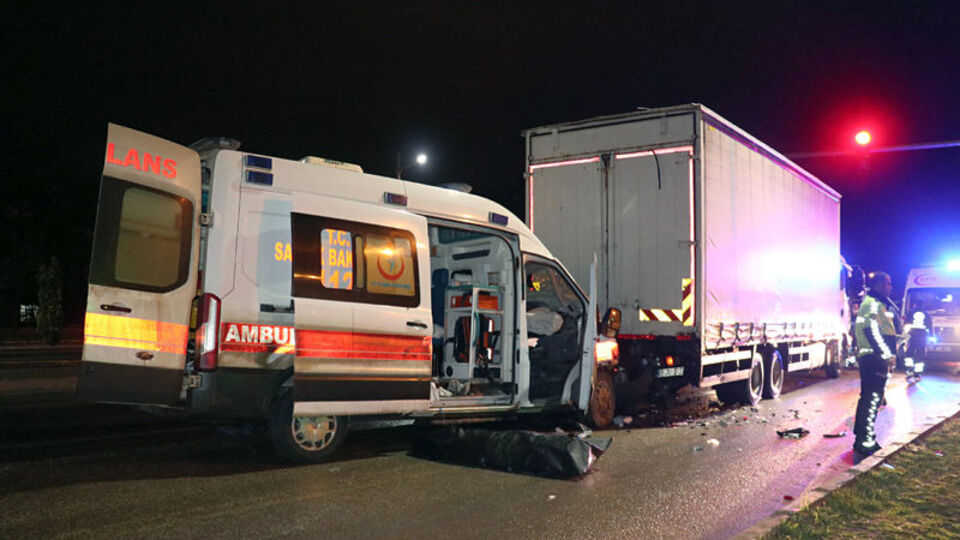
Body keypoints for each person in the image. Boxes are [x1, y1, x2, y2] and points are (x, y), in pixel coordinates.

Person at [852, 271, 898, 460]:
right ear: (879, 284)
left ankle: (864, 438)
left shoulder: (876, 303)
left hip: (873, 357)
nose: (891, 287)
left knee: (870, 399)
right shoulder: (872, 303)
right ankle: (865, 442)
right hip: (874, 359)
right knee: (871, 399)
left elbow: (880, 329)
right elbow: (869, 329)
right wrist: (885, 354)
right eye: (888, 284)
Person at [903, 299, 932, 383]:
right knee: (920, 354)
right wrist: (931, 337)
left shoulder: (910, 313)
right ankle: (917, 374)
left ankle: (909, 371)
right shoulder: (926, 314)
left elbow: (905, 325)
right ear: (923, 305)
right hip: (922, 338)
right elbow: (930, 327)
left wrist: (905, 334)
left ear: (914, 305)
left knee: (909, 353)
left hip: (912, 337)